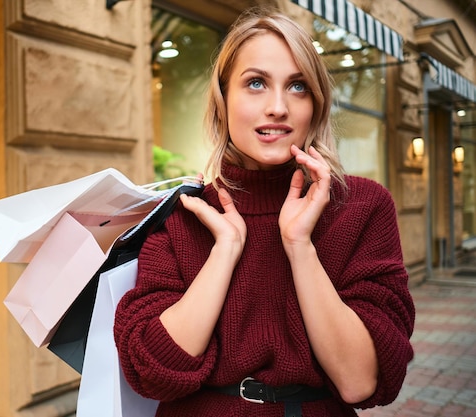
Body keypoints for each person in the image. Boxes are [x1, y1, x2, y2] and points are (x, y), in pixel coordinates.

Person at [113, 7, 415, 417]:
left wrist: (299, 244)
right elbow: (154, 372)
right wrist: (225, 249)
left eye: (297, 86)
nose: (277, 107)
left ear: (317, 103)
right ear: (223, 100)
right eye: (255, 83)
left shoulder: (362, 206)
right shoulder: (186, 212)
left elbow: (361, 381)